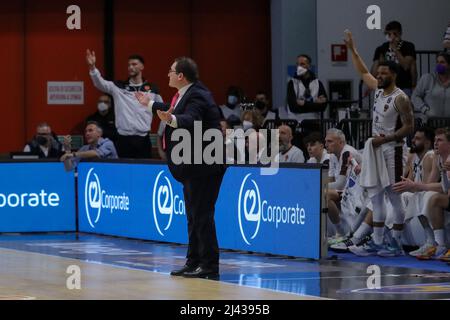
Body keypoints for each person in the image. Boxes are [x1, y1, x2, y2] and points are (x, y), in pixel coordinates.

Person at [136, 57, 225, 279]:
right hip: (193, 164)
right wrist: (149, 104)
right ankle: (194, 261)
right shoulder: (186, 94)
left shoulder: (198, 95)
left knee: (202, 215)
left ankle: (209, 265)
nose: (167, 74)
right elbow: (173, 109)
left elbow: (190, 118)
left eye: (170, 70)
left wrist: (172, 119)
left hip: (205, 163)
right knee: (194, 215)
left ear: (180, 76)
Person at [345, 29, 414, 257]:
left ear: (393, 75)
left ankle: (395, 243)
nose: (379, 76)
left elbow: (409, 126)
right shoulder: (378, 90)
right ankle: (376, 241)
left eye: (383, 74)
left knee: (394, 196)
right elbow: (363, 70)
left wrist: (389, 138)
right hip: (374, 149)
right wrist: (353, 50)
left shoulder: (400, 98)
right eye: (379, 73)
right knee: (375, 195)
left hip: (392, 150)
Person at [86, 50, 163, 159]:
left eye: (134, 64)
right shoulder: (118, 87)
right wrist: (93, 68)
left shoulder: (153, 89)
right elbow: (100, 83)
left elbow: (162, 111)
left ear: (142, 67)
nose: (130, 67)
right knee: (122, 172)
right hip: (123, 140)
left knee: (143, 173)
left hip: (143, 140)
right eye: (129, 65)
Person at [371, 21, 417, 96]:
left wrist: (395, 48)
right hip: (386, 87)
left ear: (400, 33)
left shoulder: (408, 46)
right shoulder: (382, 48)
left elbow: (406, 66)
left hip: (403, 87)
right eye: (389, 34)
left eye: (395, 34)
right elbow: (374, 72)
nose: (392, 36)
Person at [286, 54, 328, 123]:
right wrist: (314, 104)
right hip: (296, 122)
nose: (299, 67)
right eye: (297, 64)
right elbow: (293, 107)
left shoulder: (318, 83)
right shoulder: (292, 83)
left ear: (309, 66)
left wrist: (304, 103)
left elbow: (323, 106)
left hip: (314, 122)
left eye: (302, 64)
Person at [412, 52, 450, 118]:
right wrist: (424, 109)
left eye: (442, 62)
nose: (439, 64)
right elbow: (415, 96)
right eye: (437, 62)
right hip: (429, 123)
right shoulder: (427, 78)